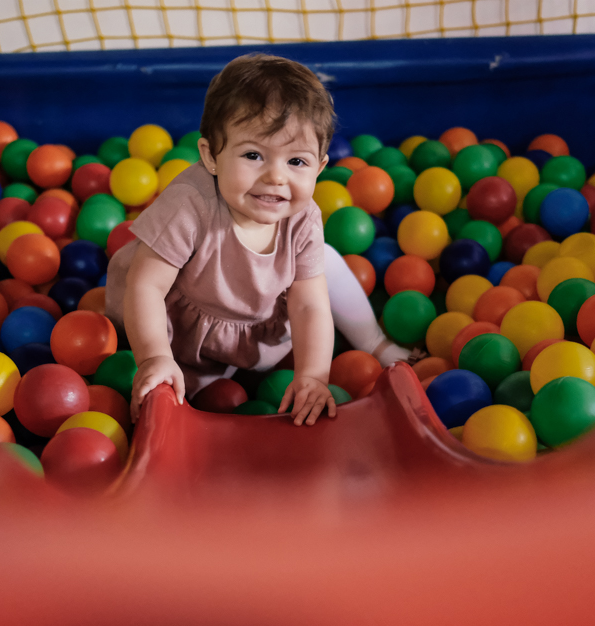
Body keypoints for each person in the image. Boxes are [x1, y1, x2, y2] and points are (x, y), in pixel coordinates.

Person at [105, 53, 410, 427]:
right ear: (211, 157)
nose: (275, 177)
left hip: (253, 319)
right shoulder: (191, 203)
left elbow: (309, 307)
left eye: (296, 162)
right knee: (180, 396)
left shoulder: (303, 218)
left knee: (323, 263)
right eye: (253, 155)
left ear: (320, 167)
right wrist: (155, 357)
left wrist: (313, 376)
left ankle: (374, 342)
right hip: (177, 328)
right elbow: (146, 286)